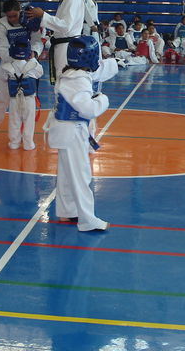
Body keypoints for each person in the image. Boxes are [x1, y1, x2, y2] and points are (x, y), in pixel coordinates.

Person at [46, 35, 118, 231]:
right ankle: (87, 220)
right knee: (80, 175)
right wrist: (102, 99)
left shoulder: (71, 73)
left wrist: (116, 63)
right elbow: (89, 110)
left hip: (67, 129)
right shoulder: (77, 80)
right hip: (72, 131)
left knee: (67, 175)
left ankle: (67, 212)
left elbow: (95, 74)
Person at [0, 0, 43, 135]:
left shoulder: (30, 20)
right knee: (0, 97)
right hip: (8, 64)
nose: (12, 19)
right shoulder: (1, 24)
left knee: (28, 98)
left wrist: (34, 52)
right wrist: (18, 58)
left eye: (15, 15)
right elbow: (1, 49)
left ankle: (27, 131)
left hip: (28, 63)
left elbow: (37, 41)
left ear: (20, 11)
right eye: (9, 16)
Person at [26, 0, 84, 84]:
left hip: (67, 48)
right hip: (63, 46)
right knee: (61, 82)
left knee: (65, 83)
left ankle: (63, 103)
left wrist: (43, 15)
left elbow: (66, 26)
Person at [1, 37, 44, 150]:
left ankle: (14, 143)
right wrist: (33, 59)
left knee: (14, 120)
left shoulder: (7, 67)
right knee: (28, 121)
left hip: (14, 99)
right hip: (29, 99)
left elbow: (4, 78)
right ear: (28, 52)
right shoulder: (32, 66)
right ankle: (28, 144)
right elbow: (40, 73)